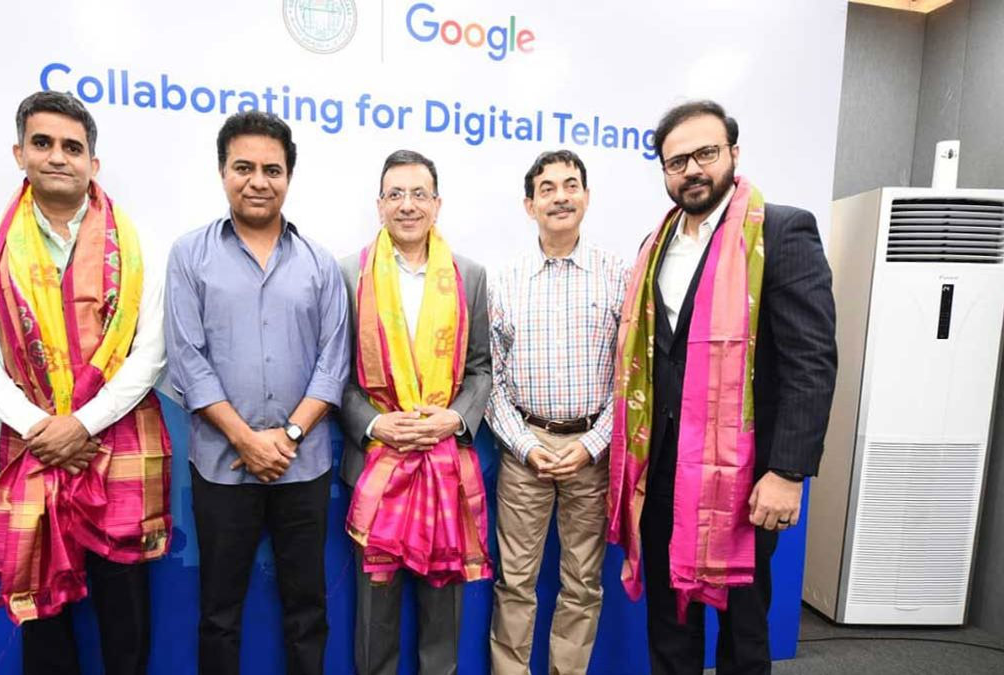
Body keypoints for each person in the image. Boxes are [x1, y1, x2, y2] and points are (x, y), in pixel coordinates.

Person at [0, 90, 171, 674]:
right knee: (42, 615)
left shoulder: (137, 243)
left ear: (93, 162)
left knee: (126, 612)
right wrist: (42, 428)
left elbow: (151, 351)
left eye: (72, 147)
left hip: (117, 448)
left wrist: (82, 424)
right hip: (33, 449)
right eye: (42, 143)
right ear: (19, 153)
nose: (57, 157)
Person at [608, 99, 838, 674]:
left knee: (744, 627)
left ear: (733, 153)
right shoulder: (654, 246)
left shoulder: (781, 231)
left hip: (745, 472)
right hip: (663, 467)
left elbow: (811, 360)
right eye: (676, 161)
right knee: (669, 622)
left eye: (705, 153)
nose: (692, 170)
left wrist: (788, 472)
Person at [164, 110, 349, 675]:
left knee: (307, 608)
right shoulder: (189, 255)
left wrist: (287, 436)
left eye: (272, 169)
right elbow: (187, 359)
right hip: (222, 466)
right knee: (219, 612)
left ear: (288, 176)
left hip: (303, 465)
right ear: (223, 172)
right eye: (243, 167)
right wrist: (246, 439)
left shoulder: (320, 263)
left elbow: (333, 363)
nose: (258, 181)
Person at [337, 150, 492, 675]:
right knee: (375, 617)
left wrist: (457, 418)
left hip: (445, 464)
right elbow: (334, 374)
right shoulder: (349, 275)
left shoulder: (469, 276)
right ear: (379, 204)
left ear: (437, 204)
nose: (408, 205)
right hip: (377, 467)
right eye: (396, 194)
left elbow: (481, 368)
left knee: (443, 612)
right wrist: (376, 423)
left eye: (419, 194)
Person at [486, 149, 630, 674]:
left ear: (586, 197)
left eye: (571, 185)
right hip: (524, 450)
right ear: (530, 205)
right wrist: (525, 445)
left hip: (592, 451)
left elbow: (631, 378)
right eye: (546, 189)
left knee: (583, 583)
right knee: (515, 583)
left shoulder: (619, 276)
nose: (560, 197)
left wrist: (592, 444)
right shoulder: (505, 280)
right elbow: (491, 379)